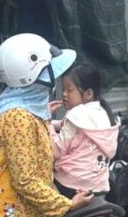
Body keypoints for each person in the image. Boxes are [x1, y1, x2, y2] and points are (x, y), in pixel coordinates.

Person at [0, 33, 93, 216]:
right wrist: (68, 204)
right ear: (35, 76)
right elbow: (25, 180)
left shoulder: (27, 114)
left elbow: (37, 171)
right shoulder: (18, 118)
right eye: (50, 72)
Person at [48, 64, 119, 198]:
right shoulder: (103, 113)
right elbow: (67, 126)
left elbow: (55, 150)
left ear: (88, 94)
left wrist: (47, 124)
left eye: (69, 90)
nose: (64, 94)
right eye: (63, 89)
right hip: (98, 186)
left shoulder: (77, 114)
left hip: (71, 184)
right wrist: (53, 124)